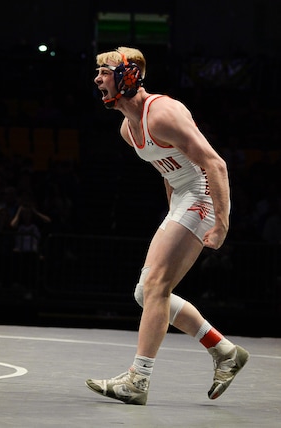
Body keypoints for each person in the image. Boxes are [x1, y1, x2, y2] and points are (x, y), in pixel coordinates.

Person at [85, 47, 249, 405]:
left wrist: (220, 223)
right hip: (184, 200)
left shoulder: (163, 113)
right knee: (147, 294)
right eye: (96, 72)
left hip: (203, 196)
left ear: (128, 77)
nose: (97, 79)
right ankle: (224, 352)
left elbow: (215, 165)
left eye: (104, 72)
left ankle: (137, 380)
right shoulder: (129, 129)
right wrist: (174, 213)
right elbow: (167, 169)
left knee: (156, 286)